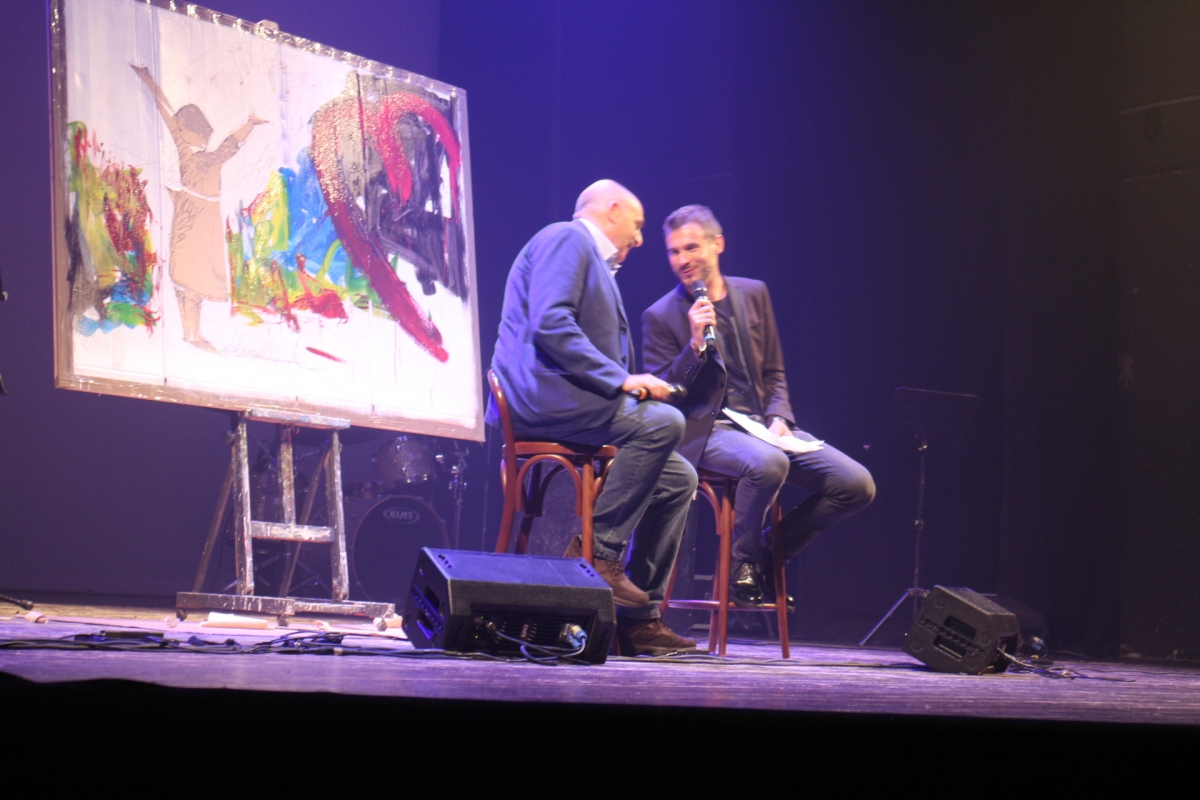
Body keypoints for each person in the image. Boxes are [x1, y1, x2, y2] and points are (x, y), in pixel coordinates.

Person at [488, 180, 698, 655]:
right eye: (637, 225)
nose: (639, 239)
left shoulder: (592, 258)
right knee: (663, 423)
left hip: (572, 397)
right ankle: (598, 555)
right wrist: (621, 379)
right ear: (612, 209)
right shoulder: (567, 237)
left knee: (679, 478)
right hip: (544, 396)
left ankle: (639, 623)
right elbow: (551, 322)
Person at [642, 205, 875, 609]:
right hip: (707, 429)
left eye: (691, 247)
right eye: (673, 251)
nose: (682, 259)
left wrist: (779, 417)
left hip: (761, 426)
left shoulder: (753, 294)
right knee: (769, 464)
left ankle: (770, 550)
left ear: (718, 244)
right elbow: (665, 393)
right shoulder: (660, 316)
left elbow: (774, 372)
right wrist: (694, 345)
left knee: (856, 485)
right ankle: (742, 565)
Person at [133, 64, 267, 351]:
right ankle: (192, 334)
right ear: (195, 132)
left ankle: (192, 333)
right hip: (195, 220)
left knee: (190, 279)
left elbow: (172, 117)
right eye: (202, 134)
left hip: (196, 216)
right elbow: (172, 116)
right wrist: (147, 78)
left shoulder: (194, 153)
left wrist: (147, 78)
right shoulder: (197, 154)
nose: (205, 139)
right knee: (189, 278)